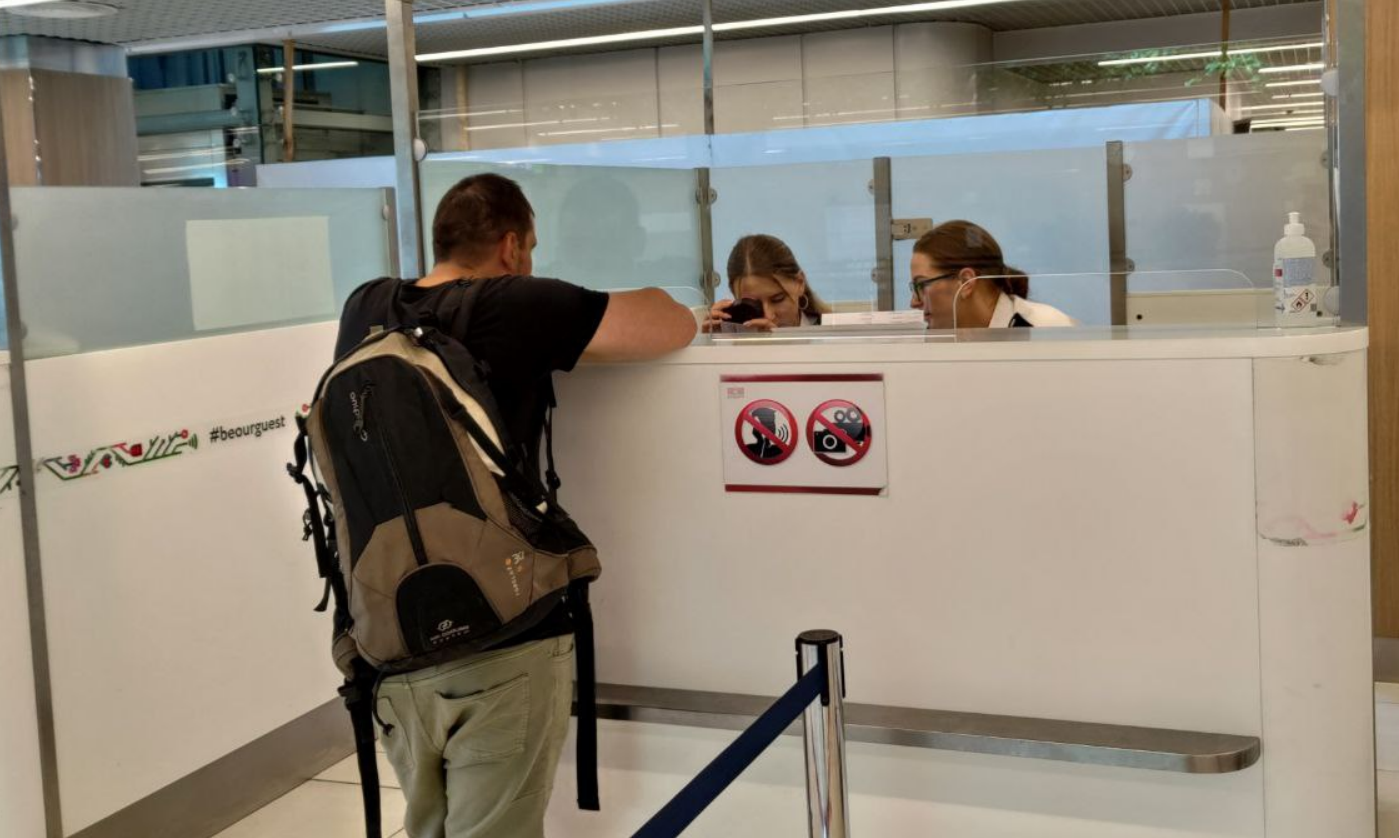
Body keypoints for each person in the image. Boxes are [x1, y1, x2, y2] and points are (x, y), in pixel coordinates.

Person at [333, 173, 696, 838]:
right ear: (510, 246)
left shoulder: (366, 307)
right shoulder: (516, 304)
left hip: (386, 633)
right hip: (502, 630)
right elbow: (672, 322)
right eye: (531, 247)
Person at [909, 220, 1076, 329]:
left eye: (921, 285)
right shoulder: (939, 340)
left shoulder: (1048, 330)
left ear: (966, 282)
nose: (914, 302)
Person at [705, 234, 831, 331]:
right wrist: (712, 346)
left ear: (800, 283)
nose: (768, 316)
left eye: (778, 299)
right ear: (735, 297)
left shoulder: (830, 333)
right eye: (754, 306)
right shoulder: (731, 338)